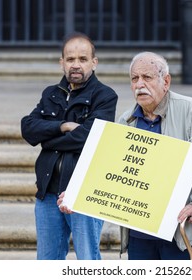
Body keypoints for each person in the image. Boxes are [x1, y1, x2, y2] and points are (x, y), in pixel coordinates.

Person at [58, 51, 192, 260]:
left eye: (147, 77)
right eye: (134, 78)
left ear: (166, 81)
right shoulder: (126, 120)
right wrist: (78, 196)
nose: (139, 84)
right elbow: (113, 172)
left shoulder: (191, 111)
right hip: (141, 231)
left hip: (182, 229)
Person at [20, 32, 118, 260]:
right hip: (48, 193)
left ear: (94, 63)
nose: (76, 64)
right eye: (70, 59)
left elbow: (90, 137)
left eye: (83, 59)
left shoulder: (104, 96)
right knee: (47, 261)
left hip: (84, 192)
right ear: (61, 62)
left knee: (87, 261)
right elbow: (28, 128)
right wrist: (64, 126)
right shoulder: (50, 94)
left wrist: (48, 134)